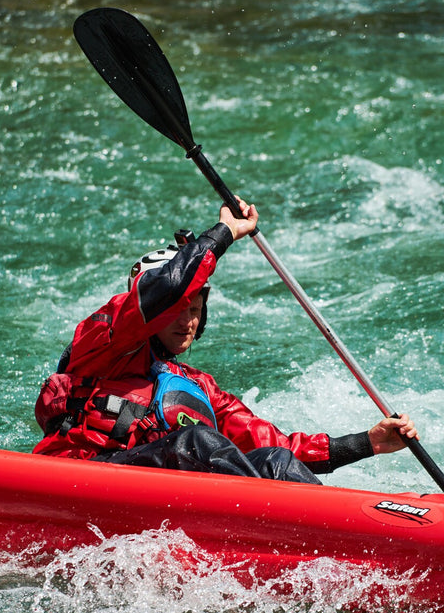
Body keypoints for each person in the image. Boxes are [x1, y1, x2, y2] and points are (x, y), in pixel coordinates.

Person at [33, 198, 419, 484]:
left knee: (276, 463)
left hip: (163, 494)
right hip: (85, 479)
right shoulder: (104, 341)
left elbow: (276, 444)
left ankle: (338, 537)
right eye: (179, 308)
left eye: (196, 308)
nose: (188, 319)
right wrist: (225, 233)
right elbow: (167, 288)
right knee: (196, 441)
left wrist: (366, 443)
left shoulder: (200, 387)